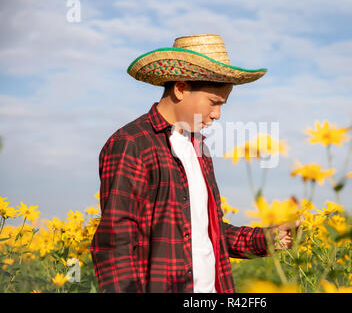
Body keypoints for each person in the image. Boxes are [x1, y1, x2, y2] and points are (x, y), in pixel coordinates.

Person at [90, 34, 300, 293]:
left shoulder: (199, 147)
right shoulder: (132, 143)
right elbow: (115, 243)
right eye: (214, 103)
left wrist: (268, 238)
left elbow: (210, 231)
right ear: (181, 88)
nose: (217, 114)